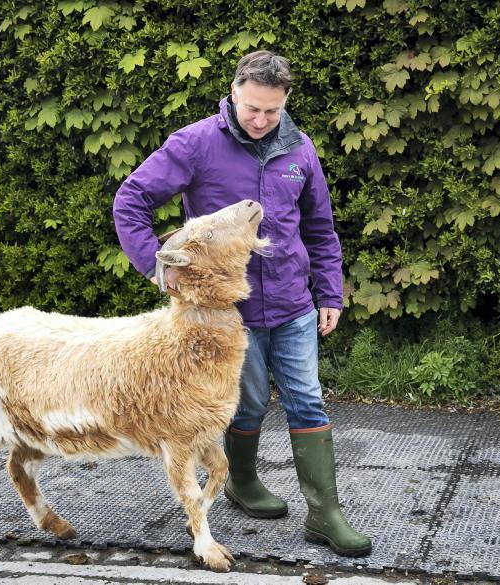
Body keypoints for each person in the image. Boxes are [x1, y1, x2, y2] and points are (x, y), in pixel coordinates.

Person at [112, 51, 371, 557]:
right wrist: (158, 268)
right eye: (252, 108)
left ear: (285, 102)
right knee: (246, 403)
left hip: (294, 303)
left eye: (272, 110)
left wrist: (328, 291)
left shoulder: (300, 149)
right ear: (234, 92)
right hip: (228, 314)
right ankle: (243, 483)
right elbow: (131, 200)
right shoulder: (195, 143)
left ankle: (325, 513)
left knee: (307, 399)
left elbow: (320, 228)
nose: (260, 119)